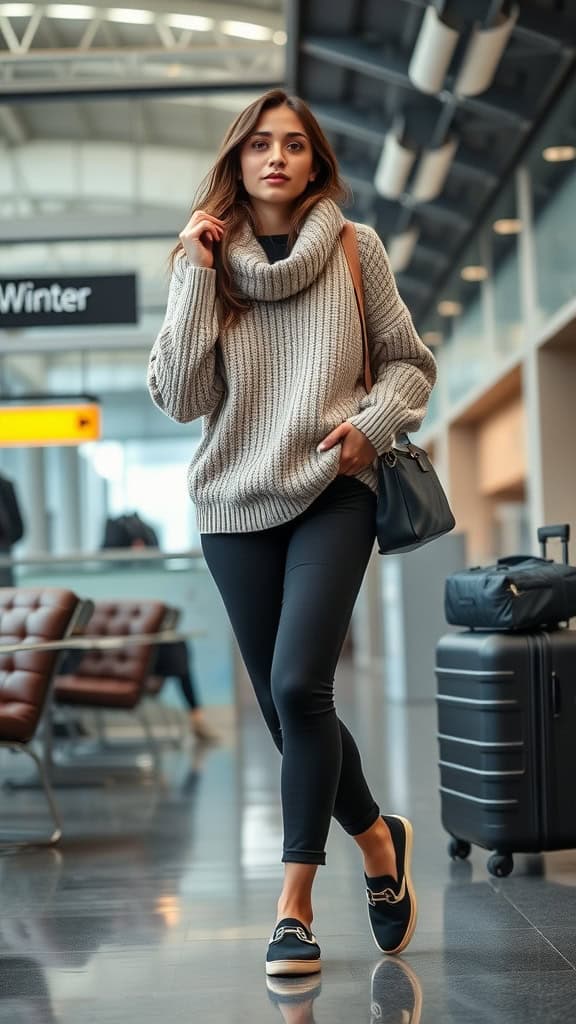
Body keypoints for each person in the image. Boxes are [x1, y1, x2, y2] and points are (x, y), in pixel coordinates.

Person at [147, 89, 436, 976]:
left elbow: (409, 363)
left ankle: (295, 906)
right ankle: (380, 842)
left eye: (296, 145)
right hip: (233, 506)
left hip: (332, 490)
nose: (277, 157)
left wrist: (373, 426)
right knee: (284, 710)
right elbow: (178, 396)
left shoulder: (356, 248)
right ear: (237, 161)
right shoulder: (203, 263)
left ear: (315, 163)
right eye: (260, 145)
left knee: (299, 684)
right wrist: (198, 277)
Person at [101, 513, 219, 743]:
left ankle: (196, 716)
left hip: (130, 656)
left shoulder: (131, 595)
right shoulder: (111, 589)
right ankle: (196, 716)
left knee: (175, 643)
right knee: (175, 646)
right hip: (108, 658)